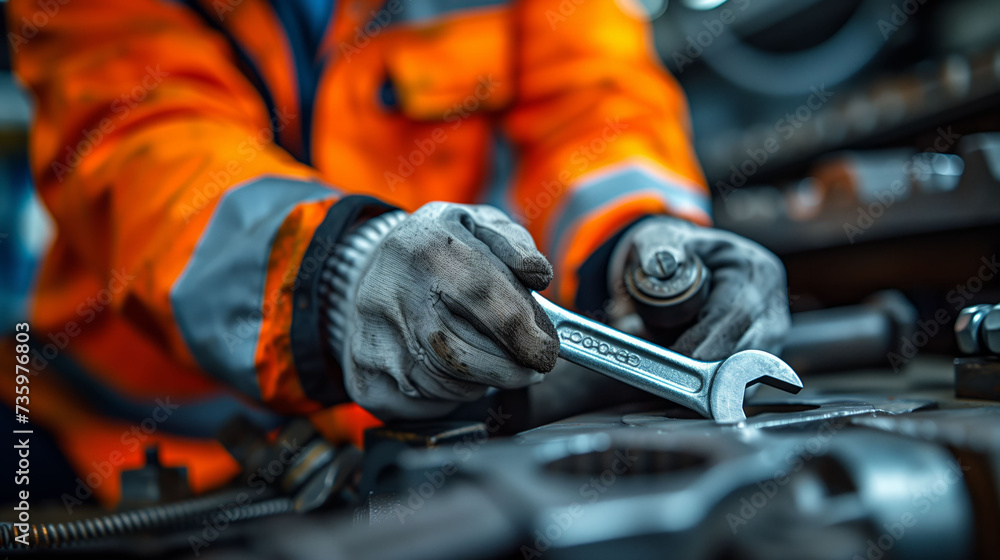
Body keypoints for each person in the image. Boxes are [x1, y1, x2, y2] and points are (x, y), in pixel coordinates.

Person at [3, 0, 788, 505]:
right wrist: (342, 271)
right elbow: (143, 151)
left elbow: (595, 96)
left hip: (419, 442)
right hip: (131, 453)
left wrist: (647, 236)